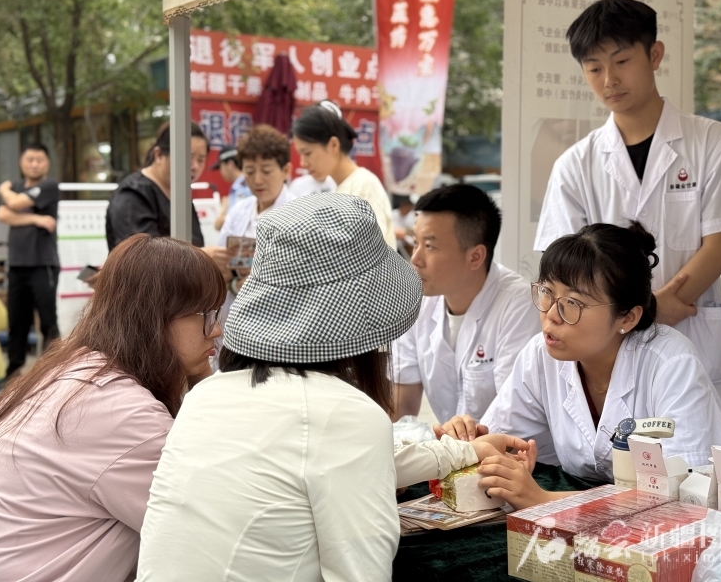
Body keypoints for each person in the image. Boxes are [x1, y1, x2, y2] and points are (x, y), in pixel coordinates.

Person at [136, 194, 529, 581]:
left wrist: (462, 452)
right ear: (365, 323)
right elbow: (363, 570)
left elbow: (355, 459)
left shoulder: (208, 396)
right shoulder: (342, 413)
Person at [534, 0, 721, 452]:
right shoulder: (575, 164)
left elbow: (719, 248)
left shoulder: (714, 143)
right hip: (609, 346)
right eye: (594, 67)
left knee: (708, 477)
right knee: (623, 477)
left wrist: (651, 309)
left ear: (654, 55)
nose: (609, 79)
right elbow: (563, 262)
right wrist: (640, 314)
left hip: (692, 332)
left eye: (621, 61)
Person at [437, 222, 721, 510]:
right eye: (547, 293)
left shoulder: (672, 365)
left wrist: (543, 500)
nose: (551, 316)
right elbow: (503, 441)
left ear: (628, 318)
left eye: (573, 303)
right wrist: (467, 443)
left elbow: (683, 496)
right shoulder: (541, 355)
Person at [0, 234, 225, 582]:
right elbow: (209, 532)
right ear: (156, 317)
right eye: (205, 315)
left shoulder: (76, 368)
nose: (217, 330)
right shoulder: (122, 413)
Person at [391, 184, 540, 425]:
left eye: (429, 246)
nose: (416, 259)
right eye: (415, 243)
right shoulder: (415, 303)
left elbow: (511, 421)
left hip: (516, 457)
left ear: (475, 257)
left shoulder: (519, 307)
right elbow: (401, 408)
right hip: (457, 455)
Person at [292, 100, 396, 248]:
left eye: (307, 153)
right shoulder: (345, 188)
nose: (303, 162)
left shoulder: (364, 187)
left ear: (333, 145)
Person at [0, 142, 60, 382]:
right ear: (21, 162)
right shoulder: (17, 187)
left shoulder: (49, 186)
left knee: (48, 322)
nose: (34, 164)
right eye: (30, 159)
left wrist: (3, 190)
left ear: (47, 163)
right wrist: (36, 218)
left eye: (39, 159)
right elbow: (2, 215)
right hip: (17, 266)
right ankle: (14, 372)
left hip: (43, 264)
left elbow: (12, 206)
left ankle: (51, 373)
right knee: (17, 322)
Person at [215, 124, 295, 304]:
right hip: (235, 312)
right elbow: (221, 266)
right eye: (249, 171)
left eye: (266, 171)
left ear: (286, 171)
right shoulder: (238, 211)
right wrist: (235, 284)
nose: (257, 180)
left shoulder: (299, 213)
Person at [106, 121, 210, 250]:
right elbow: (141, 258)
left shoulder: (181, 197)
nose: (195, 166)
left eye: (201, 160)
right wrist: (204, 256)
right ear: (159, 155)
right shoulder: (132, 195)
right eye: (188, 157)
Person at [211, 145, 251, 231]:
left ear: (230, 165)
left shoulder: (242, 188)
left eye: (220, 167)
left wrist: (222, 214)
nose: (220, 172)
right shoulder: (240, 186)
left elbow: (236, 220)